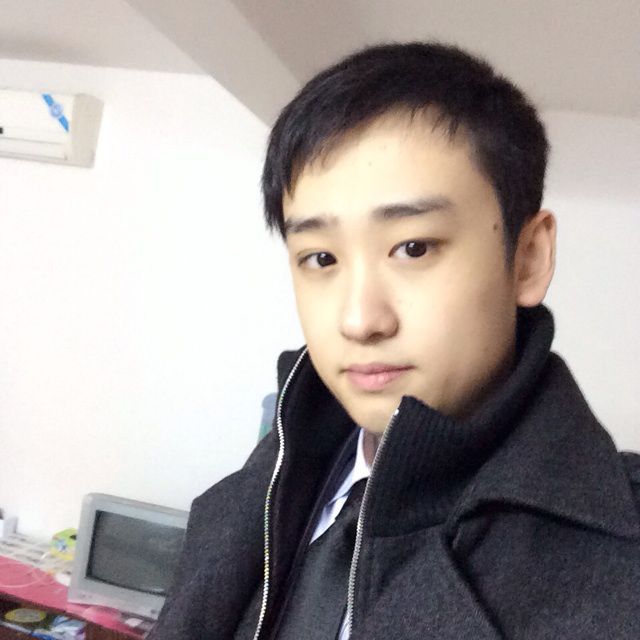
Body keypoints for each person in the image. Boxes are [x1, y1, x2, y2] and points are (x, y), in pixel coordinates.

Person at [149, 42, 640, 639]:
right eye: (321, 258)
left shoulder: (620, 575)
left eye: (413, 248)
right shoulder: (266, 485)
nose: (360, 320)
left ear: (528, 258)